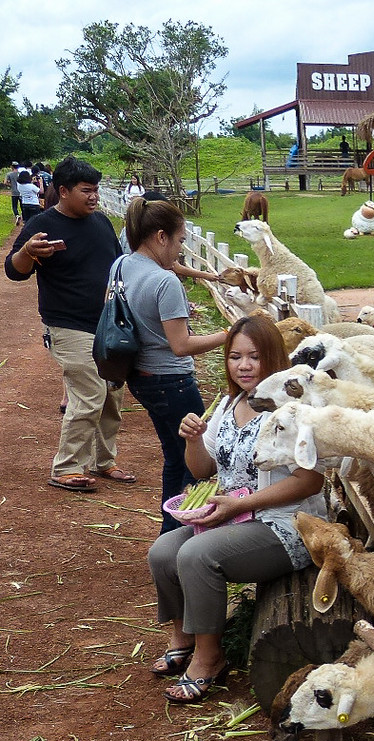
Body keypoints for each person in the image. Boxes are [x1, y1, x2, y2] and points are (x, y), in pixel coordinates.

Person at [147, 314, 326, 703]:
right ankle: (184, 635)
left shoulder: (289, 410)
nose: (243, 365)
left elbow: (311, 480)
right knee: (162, 551)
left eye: (255, 357)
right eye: (235, 356)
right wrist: (193, 441)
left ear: (274, 359)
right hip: (233, 516)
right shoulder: (230, 403)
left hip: (285, 524)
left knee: (197, 554)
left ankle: (210, 658)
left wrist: (239, 505)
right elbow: (203, 470)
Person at [4, 156, 130, 493]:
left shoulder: (101, 223)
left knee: (112, 395)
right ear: (63, 191)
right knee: (89, 392)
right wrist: (28, 252)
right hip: (67, 324)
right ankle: (67, 467)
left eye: (96, 190)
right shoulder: (42, 225)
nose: (94, 197)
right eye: (86, 190)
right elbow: (14, 271)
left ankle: (105, 462)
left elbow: (119, 268)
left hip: (107, 324)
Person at [121, 197, 232, 533]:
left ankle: (168, 532)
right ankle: (183, 536)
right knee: (194, 465)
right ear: (160, 237)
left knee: (173, 455)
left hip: (139, 376)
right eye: (180, 240)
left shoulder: (123, 265)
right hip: (172, 381)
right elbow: (181, 345)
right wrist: (229, 334)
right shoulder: (164, 282)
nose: (180, 250)